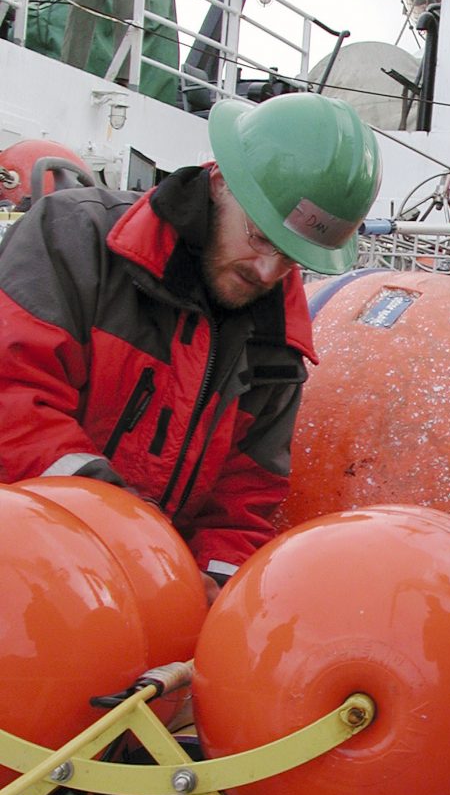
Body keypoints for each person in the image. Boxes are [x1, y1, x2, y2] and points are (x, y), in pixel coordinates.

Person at [0, 92, 381, 603]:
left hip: (138, 597)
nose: (268, 271)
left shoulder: (279, 347)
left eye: (291, 257)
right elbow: (13, 402)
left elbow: (243, 501)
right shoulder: (71, 238)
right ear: (220, 183)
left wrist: (216, 588)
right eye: (261, 235)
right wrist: (126, 538)